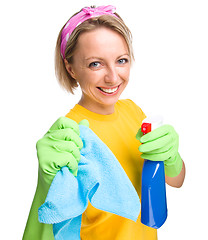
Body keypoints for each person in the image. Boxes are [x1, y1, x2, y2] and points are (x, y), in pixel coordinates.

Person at [23, 5, 185, 240]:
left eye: (121, 60)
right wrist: (45, 185)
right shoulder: (68, 136)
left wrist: (171, 158)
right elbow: (54, 226)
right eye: (95, 64)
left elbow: (176, 181)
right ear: (71, 68)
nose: (112, 77)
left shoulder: (133, 111)